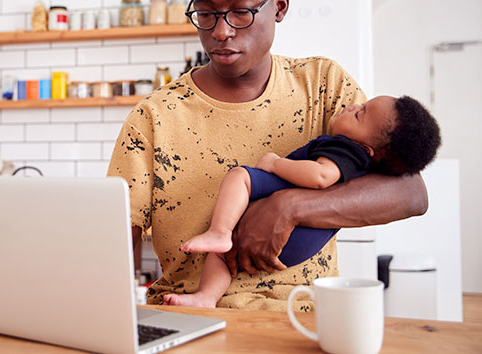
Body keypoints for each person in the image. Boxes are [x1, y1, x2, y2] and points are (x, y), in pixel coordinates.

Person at [107, 0, 430, 311]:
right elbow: (114, 243)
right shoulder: (154, 117)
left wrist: (289, 207)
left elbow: (411, 193)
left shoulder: (324, 86)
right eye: (205, 13)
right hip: (187, 318)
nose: (221, 31)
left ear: (279, 7)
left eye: (241, 11)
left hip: (302, 321)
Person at [164, 95, 440, 307]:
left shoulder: (346, 148)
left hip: (295, 232)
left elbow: (320, 176)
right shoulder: (365, 152)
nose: (353, 104)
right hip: (302, 245)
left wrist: (275, 165)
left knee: (241, 177)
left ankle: (219, 231)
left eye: (360, 114)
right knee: (224, 255)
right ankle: (207, 297)